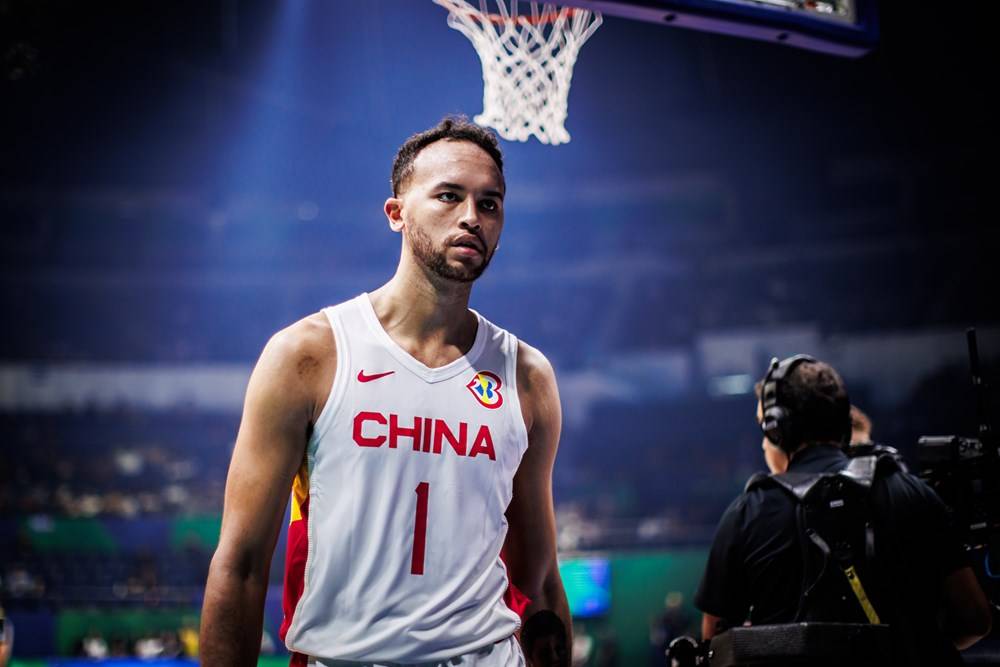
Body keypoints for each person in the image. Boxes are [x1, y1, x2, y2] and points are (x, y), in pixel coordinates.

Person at [200, 116, 571, 667]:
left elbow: (539, 581)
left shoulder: (528, 376)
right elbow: (241, 566)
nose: (472, 216)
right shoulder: (308, 355)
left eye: (489, 203)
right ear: (396, 213)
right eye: (449, 196)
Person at [694, 355, 992, 666]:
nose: (763, 444)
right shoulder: (915, 493)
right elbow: (975, 619)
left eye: (764, 429)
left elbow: (714, 648)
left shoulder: (745, 514)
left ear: (778, 429)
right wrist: (915, 645)